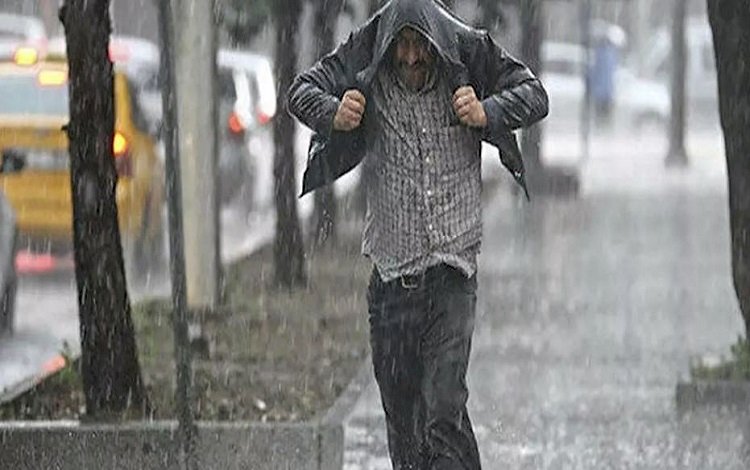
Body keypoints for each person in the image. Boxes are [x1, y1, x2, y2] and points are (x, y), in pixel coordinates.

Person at [288, 1, 548, 468]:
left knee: (443, 412)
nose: (410, 57)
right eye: (401, 46)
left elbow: (535, 95)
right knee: (406, 428)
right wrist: (334, 112)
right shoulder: (366, 48)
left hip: (452, 274)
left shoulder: (467, 51)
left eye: (419, 45)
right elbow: (299, 91)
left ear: (436, 40)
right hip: (391, 284)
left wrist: (486, 111)